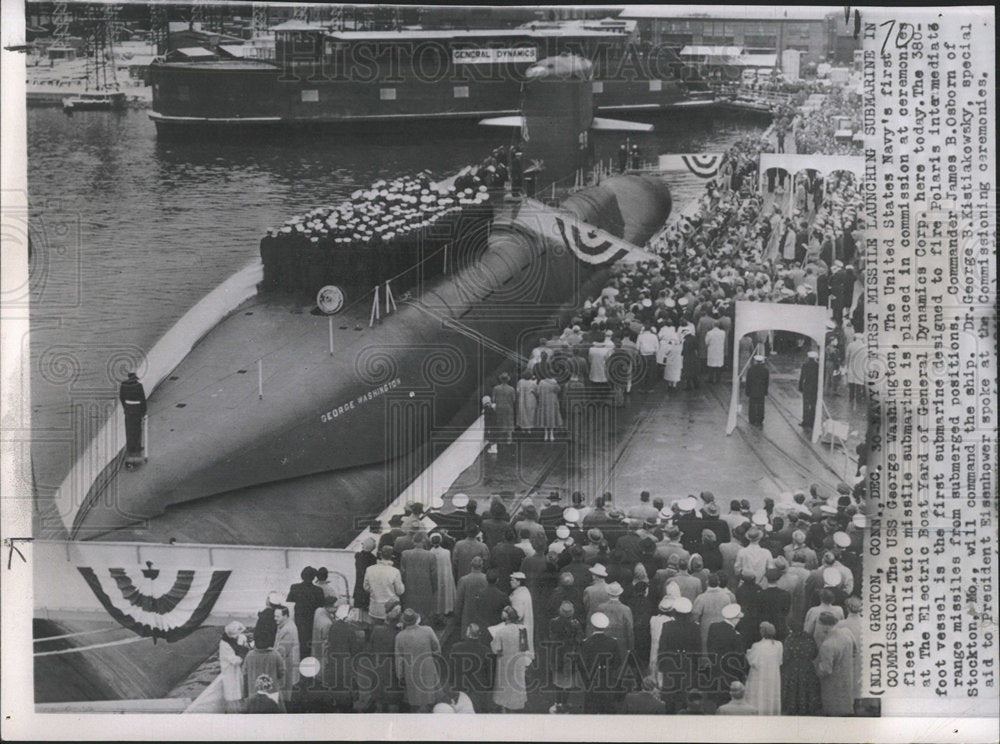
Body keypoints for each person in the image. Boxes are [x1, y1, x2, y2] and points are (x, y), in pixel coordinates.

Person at [394, 609, 443, 712]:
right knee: (430, 700)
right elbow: (437, 649)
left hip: (411, 673)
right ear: (416, 619)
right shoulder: (428, 630)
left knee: (415, 703)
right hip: (428, 670)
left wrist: (400, 676)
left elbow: (399, 661)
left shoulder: (399, 637)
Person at [490, 606, 534, 712]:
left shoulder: (501, 632)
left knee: (504, 688)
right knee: (516, 686)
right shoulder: (522, 630)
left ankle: (504, 710)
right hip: (518, 664)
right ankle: (514, 709)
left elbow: (496, 649)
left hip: (504, 664)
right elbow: (525, 647)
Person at [580, 612, 624, 713]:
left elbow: (582, 664)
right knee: (607, 708)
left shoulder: (586, 643)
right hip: (606, 679)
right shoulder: (612, 642)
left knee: (590, 708)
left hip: (591, 679)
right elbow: (617, 662)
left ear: (592, 626)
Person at [448, 623, 493, 713]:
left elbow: (452, 667)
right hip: (479, 685)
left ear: (467, 633)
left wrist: (452, 681)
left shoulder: (456, 647)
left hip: (461, 683)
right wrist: (489, 685)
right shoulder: (486, 650)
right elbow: (489, 671)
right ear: (479, 635)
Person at [780, 618, 822, 715]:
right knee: (807, 689)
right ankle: (808, 709)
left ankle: (793, 709)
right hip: (807, 667)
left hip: (793, 669)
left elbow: (785, 656)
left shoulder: (789, 639)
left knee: (794, 690)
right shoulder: (809, 638)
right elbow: (815, 652)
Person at [817, 623, 859, 716]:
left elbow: (826, 670)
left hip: (833, 685)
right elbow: (855, 651)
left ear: (825, 626)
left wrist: (817, 671)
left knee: (833, 711)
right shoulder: (847, 633)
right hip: (847, 677)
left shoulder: (827, 645)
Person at [745, 621, 782, 715]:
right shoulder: (779, 645)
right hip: (773, 675)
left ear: (762, 632)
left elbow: (752, 660)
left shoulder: (757, 646)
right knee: (770, 692)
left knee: (759, 693)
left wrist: (748, 652)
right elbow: (780, 661)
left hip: (760, 675)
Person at [286, 567, 324, 658]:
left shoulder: (295, 587)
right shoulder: (318, 590)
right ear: (314, 577)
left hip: (299, 620)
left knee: (300, 642)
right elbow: (322, 606)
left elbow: (289, 602)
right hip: (313, 620)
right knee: (311, 644)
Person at [401, 532, 437, 619]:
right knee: (425, 611)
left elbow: (402, 572)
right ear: (423, 541)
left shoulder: (405, 554)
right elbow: (434, 574)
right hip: (426, 587)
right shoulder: (430, 555)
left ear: (413, 541)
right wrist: (434, 588)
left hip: (409, 587)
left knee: (410, 612)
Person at [364, 546, 405, 623]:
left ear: (380, 555)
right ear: (392, 557)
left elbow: (366, 587)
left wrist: (375, 590)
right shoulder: (395, 571)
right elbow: (400, 591)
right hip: (391, 609)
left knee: (375, 630)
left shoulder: (369, 569)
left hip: (374, 606)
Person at [219, 620, 249, 713]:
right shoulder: (224, 644)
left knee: (239, 690)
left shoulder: (237, 638)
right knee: (232, 693)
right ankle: (233, 712)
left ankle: (240, 709)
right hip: (229, 671)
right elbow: (235, 660)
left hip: (237, 671)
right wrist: (243, 653)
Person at [273, 605, 300, 701]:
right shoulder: (288, 625)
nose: (275, 619)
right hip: (288, 665)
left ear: (285, 616)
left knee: (284, 694)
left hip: (286, 666)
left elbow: (281, 651)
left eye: (277, 616)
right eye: (274, 616)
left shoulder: (287, 630)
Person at [119, 371, 147, 457]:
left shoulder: (123, 385)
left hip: (128, 409)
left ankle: (130, 448)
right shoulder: (138, 386)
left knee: (129, 429)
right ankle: (137, 447)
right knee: (137, 429)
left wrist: (125, 408)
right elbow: (142, 399)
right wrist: (144, 411)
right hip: (137, 409)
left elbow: (121, 397)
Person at [429, 532, 456, 620]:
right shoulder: (446, 552)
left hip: (435, 576)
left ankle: (436, 610)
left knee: (436, 594)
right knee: (445, 592)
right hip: (445, 576)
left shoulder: (429, 553)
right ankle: (446, 609)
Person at [353, 538, 377, 623]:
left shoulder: (358, 556)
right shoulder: (374, 559)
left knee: (359, 614)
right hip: (368, 587)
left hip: (359, 586)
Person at [534, 373, 563, 441]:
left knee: (545, 417)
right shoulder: (554, 382)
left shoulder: (541, 382)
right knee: (552, 417)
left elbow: (538, 392)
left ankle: (546, 434)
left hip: (544, 401)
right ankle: (552, 434)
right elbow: (558, 390)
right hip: (552, 402)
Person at [745, 355, 769, 427]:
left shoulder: (750, 369)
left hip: (752, 390)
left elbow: (748, 381)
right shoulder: (765, 370)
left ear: (755, 361)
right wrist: (765, 391)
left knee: (752, 405)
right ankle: (760, 419)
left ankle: (752, 419)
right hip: (761, 390)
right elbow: (766, 382)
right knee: (761, 405)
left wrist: (747, 391)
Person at [492, 372, 516, 445]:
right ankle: (509, 439)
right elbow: (514, 399)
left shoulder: (496, 388)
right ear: (508, 380)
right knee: (509, 422)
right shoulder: (511, 389)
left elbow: (493, 399)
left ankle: (500, 440)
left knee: (500, 422)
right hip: (508, 407)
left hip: (499, 407)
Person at [799, 350, 820, 430]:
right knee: (813, 404)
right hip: (815, 387)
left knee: (806, 404)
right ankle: (812, 421)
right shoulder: (818, 366)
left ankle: (805, 421)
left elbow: (802, 377)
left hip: (807, 387)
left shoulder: (805, 365)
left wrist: (800, 386)